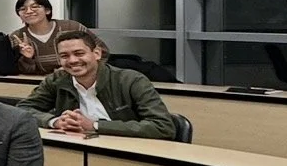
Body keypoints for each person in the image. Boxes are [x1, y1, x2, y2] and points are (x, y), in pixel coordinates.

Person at [16, 28, 176, 139]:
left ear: (97, 53)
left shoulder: (131, 80)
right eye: (64, 56)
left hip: (129, 152)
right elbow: (23, 110)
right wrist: (55, 121)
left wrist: (94, 126)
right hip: (79, 149)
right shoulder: (56, 80)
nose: (72, 61)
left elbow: (162, 126)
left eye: (79, 53)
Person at [9, 0, 87, 76]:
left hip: (79, 78)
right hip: (42, 82)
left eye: (34, 7)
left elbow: (100, 54)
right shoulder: (16, 37)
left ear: (47, 10)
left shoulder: (71, 27)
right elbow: (23, 72)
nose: (28, 11)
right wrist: (28, 58)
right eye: (22, 9)